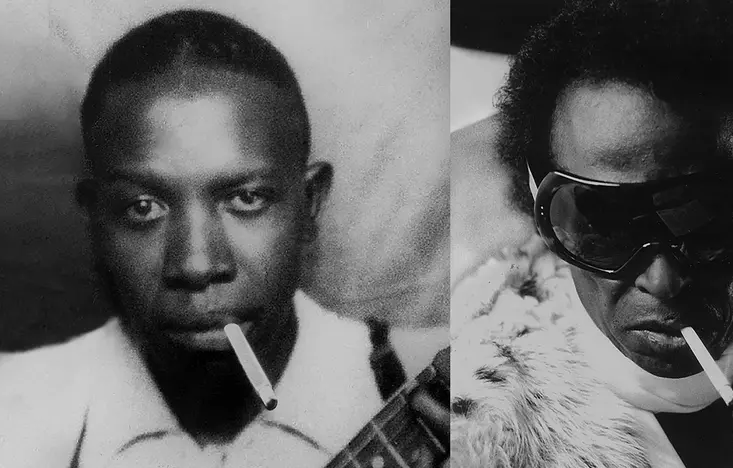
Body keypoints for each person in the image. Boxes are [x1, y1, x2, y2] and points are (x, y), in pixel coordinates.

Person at [449, 0, 733, 467]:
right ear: (546, 221)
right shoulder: (467, 437)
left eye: (707, 219)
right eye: (605, 226)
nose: (663, 280)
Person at [0, 10, 447, 467]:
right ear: (95, 221)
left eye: (247, 199)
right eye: (143, 207)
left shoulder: (439, 385)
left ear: (310, 202)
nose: (196, 265)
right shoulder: (14, 416)